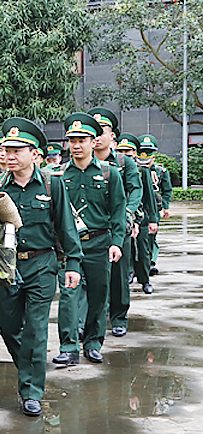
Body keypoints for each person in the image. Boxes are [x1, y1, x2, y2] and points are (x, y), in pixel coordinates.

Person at [0, 118, 82, 416]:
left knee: (37, 330)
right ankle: (27, 367)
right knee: (9, 326)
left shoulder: (53, 184)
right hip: (5, 266)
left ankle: (31, 391)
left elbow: (66, 226)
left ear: (34, 153)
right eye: (6, 149)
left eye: (17, 150)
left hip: (41, 264)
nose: (10, 156)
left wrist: (73, 264)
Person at [52, 113, 126, 366]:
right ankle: (68, 346)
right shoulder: (58, 175)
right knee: (69, 294)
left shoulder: (109, 174)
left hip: (99, 243)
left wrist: (116, 242)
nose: (76, 145)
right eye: (72, 140)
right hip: (69, 245)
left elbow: (118, 210)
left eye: (82, 139)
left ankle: (93, 343)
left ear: (94, 142)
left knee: (98, 295)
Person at [87, 108, 143, 338]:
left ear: (112, 136)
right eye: (94, 132)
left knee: (118, 275)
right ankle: (88, 321)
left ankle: (119, 317)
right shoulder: (80, 163)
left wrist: (128, 215)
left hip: (117, 226)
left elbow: (135, 190)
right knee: (90, 277)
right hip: (90, 227)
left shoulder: (123, 162)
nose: (98, 136)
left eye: (103, 131)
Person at [133, 135, 166, 292]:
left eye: (129, 150)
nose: (125, 153)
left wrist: (153, 218)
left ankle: (145, 280)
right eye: (122, 150)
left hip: (142, 217)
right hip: (123, 217)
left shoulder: (142, 171)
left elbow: (149, 198)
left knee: (144, 249)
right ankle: (129, 275)